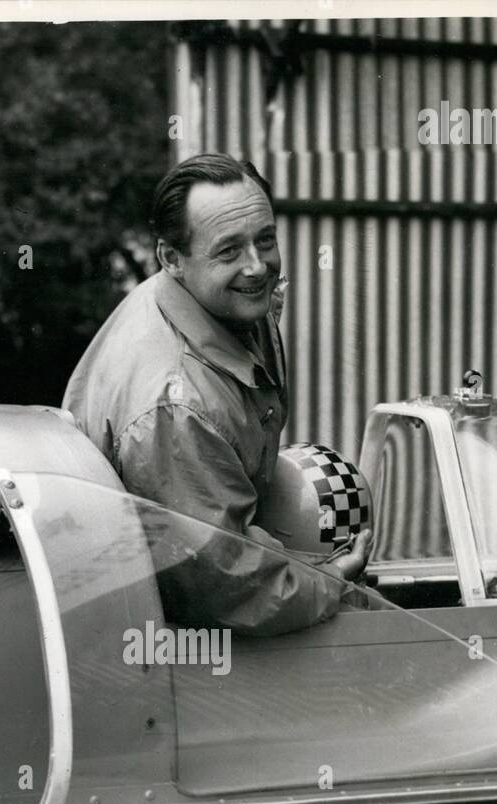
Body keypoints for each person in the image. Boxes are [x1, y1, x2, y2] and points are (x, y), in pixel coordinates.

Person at [63, 153, 371, 637]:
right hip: (158, 640)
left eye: (265, 240)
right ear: (171, 258)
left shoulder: (225, 299)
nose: (257, 267)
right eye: (229, 251)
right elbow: (224, 586)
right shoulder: (174, 407)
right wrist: (333, 582)